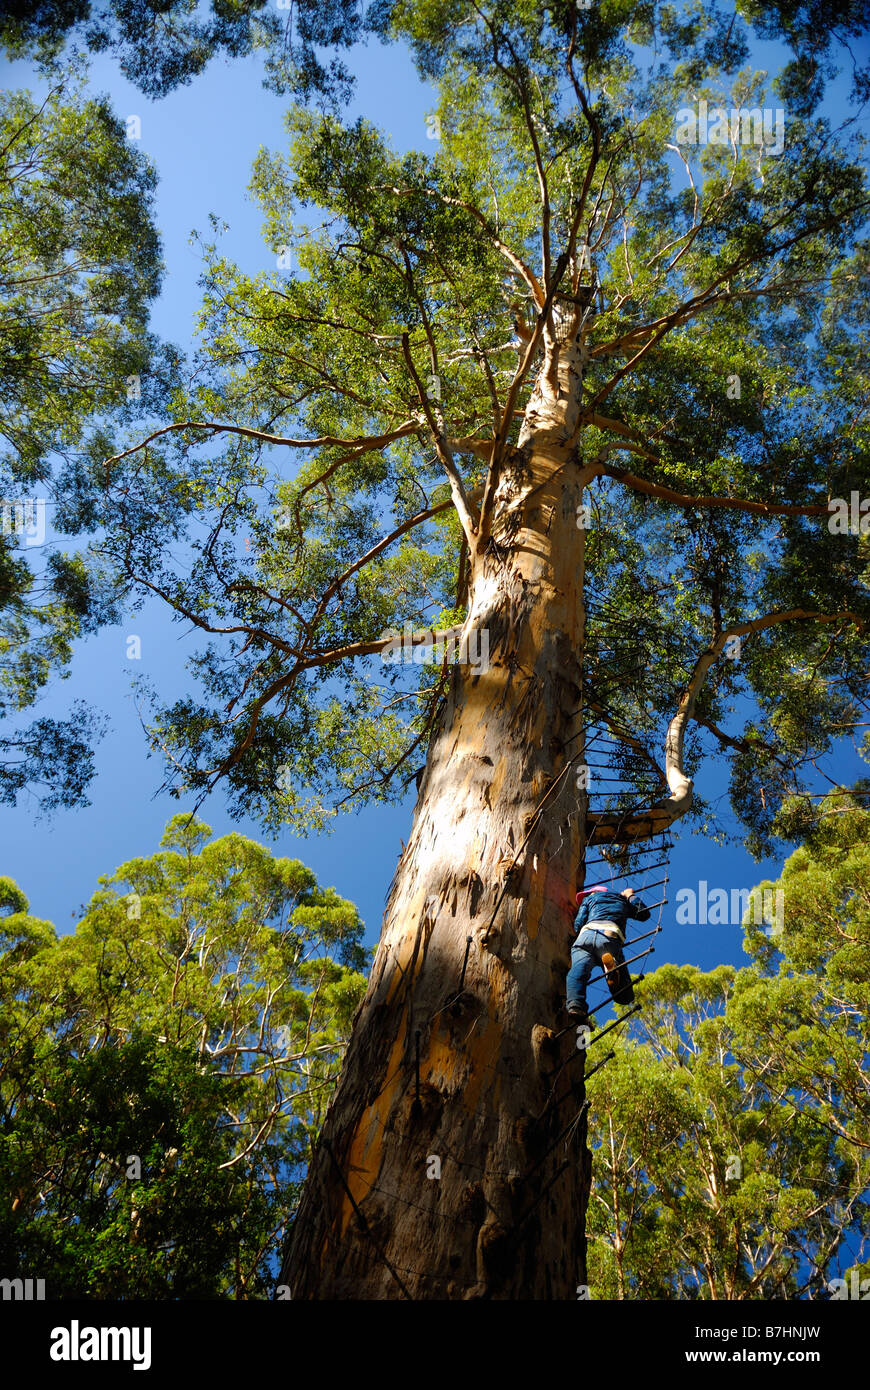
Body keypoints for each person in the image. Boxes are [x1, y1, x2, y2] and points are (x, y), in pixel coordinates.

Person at [565, 884, 651, 1021]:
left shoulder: (589, 900)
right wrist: (630, 895)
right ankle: (611, 969)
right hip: (609, 936)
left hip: (585, 936)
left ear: (594, 893)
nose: (586, 896)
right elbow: (644, 913)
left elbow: (578, 924)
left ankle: (576, 1006)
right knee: (625, 996)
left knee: (577, 972)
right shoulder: (621, 900)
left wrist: (575, 924)